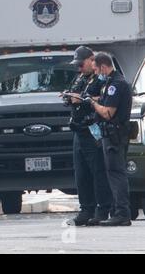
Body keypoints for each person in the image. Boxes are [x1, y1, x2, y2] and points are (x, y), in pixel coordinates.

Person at [64, 46, 113, 226]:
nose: (78, 68)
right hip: (78, 130)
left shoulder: (101, 78)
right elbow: (68, 95)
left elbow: (105, 98)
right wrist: (69, 97)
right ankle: (86, 209)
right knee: (81, 173)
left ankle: (102, 209)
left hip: (93, 130)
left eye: (81, 64)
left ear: (92, 60)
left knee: (98, 171)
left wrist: (83, 99)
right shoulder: (79, 78)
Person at [85, 52, 133, 226]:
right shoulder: (110, 83)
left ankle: (122, 213)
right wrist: (91, 98)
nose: (96, 73)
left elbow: (108, 112)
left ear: (104, 66)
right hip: (110, 135)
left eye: (96, 69)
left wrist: (93, 104)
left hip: (115, 136)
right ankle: (117, 211)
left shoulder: (116, 84)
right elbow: (105, 100)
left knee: (116, 173)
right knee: (113, 173)